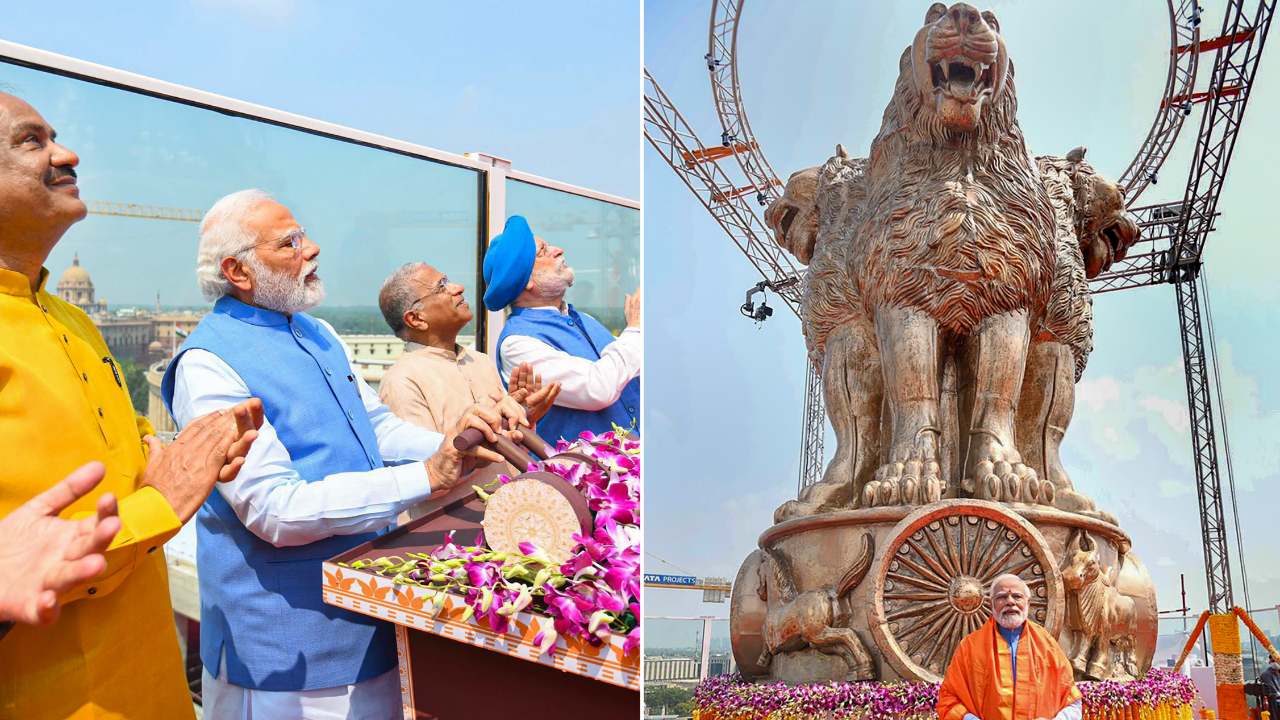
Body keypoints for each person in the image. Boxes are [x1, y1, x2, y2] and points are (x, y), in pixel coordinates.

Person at [161, 189, 527, 719]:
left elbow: (372, 428)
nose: (312, 249)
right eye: (289, 242)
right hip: (285, 658)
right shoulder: (207, 364)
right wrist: (427, 474)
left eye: (303, 234)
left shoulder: (317, 332)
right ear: (237, 271)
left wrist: (459, 447)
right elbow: (274, 509)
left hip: (368, 619)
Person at [0, 91, 262, 720]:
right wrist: (163, 501)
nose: (68, 154)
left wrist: (186, 460)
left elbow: (132, 456)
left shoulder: (72, 322)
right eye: (30, 141)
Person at [376, 261, 560, 514]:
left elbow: (511, 451)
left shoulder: (480, 361)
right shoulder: (402, 380)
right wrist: (483, 448)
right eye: (441, 287)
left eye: (448, 280)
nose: (458, 288)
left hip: (512, 515)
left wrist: (524, 421)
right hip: (452, 536)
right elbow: (426, 480)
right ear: (416, 319)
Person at [482, 215, 641, 444]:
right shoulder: (517, 344)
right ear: (526, 280)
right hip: (587, 475)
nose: (558, 250)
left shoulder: (583, 319)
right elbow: (598, 388)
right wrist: (635, 328)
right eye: (544, 250)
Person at [937, 574, 1082, 720]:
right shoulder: (970, 647)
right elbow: (949, 701)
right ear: (991, 604)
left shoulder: (1047, 645)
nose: (1010, 602)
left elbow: (1072, 702)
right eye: (1001, 597)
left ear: (1028, 602)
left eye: (1017, 596)